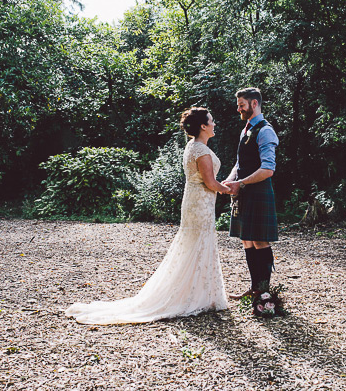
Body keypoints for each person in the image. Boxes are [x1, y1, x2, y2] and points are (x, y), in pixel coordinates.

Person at [66, 107, 232, 325]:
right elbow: (210, 183)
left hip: (196, 202)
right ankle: (194, 296)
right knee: (198, 245)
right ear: (203, 126)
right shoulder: (200, 149)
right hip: (199, 204)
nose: (214, 124)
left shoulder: (194, 146)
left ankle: (201, 294)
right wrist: (230, 189)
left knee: (196, 245)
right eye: (211, 121)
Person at [222, 87, 279, 300]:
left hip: (259, 192)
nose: (238, 109)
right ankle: (255, 287)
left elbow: (268, 169)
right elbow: (240, 162)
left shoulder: (265, 131)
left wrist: (241, 183)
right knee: (246, 240)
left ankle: (264, 293)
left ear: (254, 104)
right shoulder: (245, 129)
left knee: (260, 241)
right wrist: (230, 180)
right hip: (244, 192)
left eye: (241, 105)